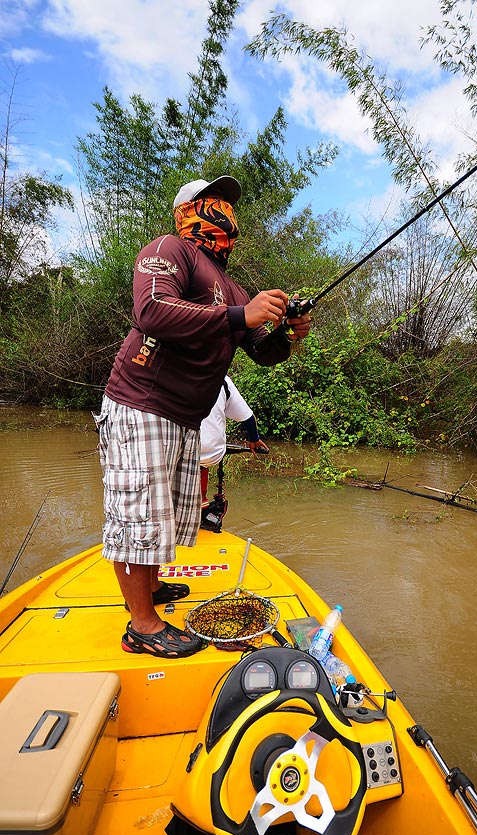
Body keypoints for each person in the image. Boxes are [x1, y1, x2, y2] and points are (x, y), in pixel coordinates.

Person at [93, 174, 311, 658]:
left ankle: (147, 591)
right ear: (188, 210)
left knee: (160, 515)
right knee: (137, 516)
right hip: (140, 401)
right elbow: (152, 311)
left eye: (228, 206)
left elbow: (262, 351)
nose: (223, 212)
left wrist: (288, 333)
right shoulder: (169, 248)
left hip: (183, 417)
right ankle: (142, 627)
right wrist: (241, 316)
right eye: (212, 202)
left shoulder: (233, 286)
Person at [199, 374, 269, 510]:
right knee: (200, 460)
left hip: (182, 451)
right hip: (214, 453)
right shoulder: (222, 378)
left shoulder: (173, 371)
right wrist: (254, 439)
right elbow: (248, 417)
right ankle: (202, 499)